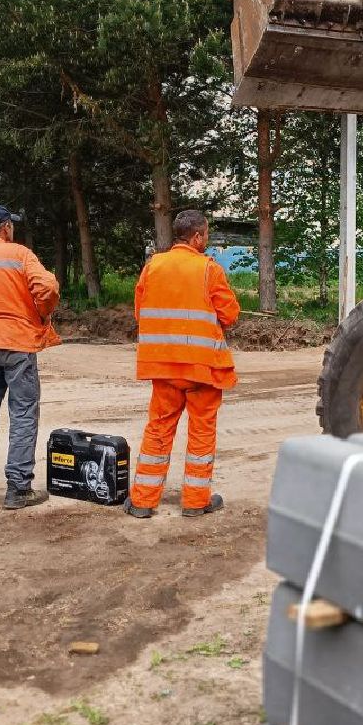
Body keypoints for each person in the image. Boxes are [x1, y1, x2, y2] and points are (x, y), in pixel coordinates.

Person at [126, 209, 240, 519]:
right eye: (206, 235)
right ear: (197, 236)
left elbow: (140, 313)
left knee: (159, 430)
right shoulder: (209, 270)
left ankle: (143, 502)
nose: (208, 240)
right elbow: (229, 315)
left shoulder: (152, 267)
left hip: (163, 368)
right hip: (201, 369)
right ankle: (194, 501)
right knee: (201, 433)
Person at [0, 204, 61, 509]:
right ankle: (18, 489)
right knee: (23, 412)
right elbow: (47, 287)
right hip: (16, 342)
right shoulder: (19, 254)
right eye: (12, 224)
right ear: (4, 227)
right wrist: (41, 315)